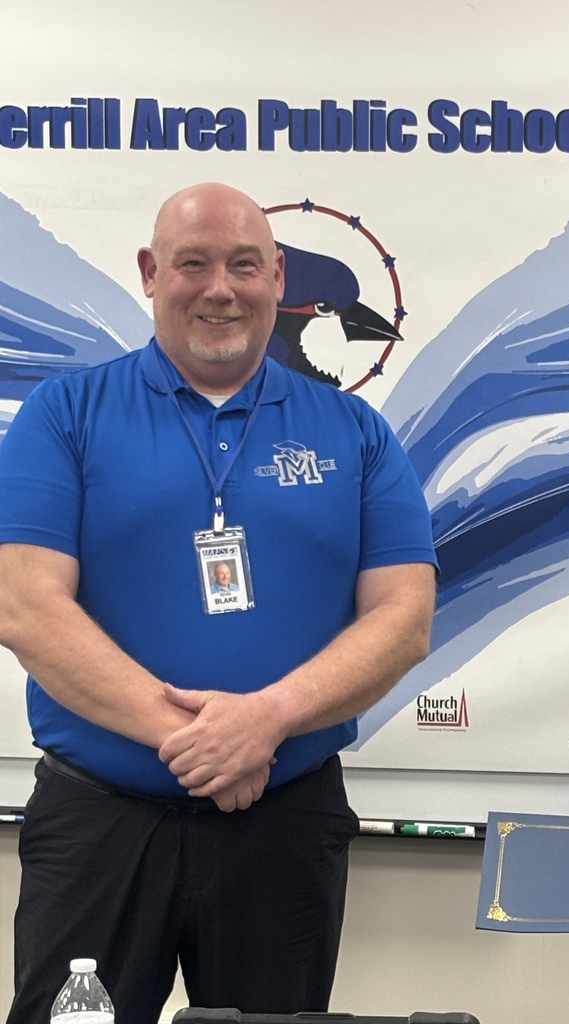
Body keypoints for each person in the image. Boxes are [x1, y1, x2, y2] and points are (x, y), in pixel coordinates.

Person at [0, 183, 438, 1024]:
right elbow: (25, 609)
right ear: (149, 273)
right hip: (98, 821)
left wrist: (266, 721)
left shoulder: (355, 432)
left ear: (278, 278)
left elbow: (403, 619)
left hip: (285, 821)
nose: (220, 289)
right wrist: (203, 744)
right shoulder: (65, 415)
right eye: (192, 264)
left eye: (244, 265)